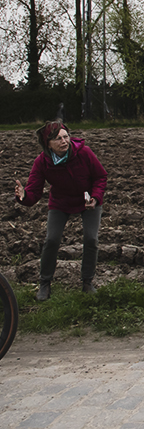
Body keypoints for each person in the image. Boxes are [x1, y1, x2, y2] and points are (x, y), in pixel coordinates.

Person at [14, 120, 107, 300]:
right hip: (60, 203)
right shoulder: (42, 162)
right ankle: (44, 284)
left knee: (91, 238)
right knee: (51, 240)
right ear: (47, 143)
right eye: (58, 139)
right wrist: (23, 196)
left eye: (66, 137)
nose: (64, 141)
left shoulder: (84, 153)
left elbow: (100, 176)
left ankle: (87, 282)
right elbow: (33, 192)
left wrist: (95, 197)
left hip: (88, 201)